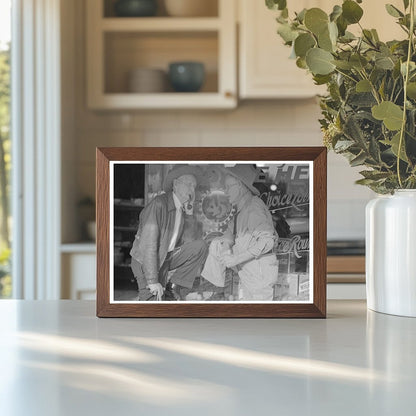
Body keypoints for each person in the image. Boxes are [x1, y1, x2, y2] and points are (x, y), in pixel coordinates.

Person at [130, 165, 208, 301]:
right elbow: (149, 245)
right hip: (145, 261)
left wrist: (189, 215)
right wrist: (152, 281)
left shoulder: (181, 209)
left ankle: (174, 286)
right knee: (153, 303)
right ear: (175, 184)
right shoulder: (159, 204)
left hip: (164, 257)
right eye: (189, 184)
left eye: (194, 186)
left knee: (200, 247)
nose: (192, 190)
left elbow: (188, 242)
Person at [204, 165, 279, 300]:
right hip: (249, 273)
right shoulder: (241, 210)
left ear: (240, 186)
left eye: (228, 187)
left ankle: (216, 289)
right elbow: (229, 234)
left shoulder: (253, 208)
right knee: (217, 242)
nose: (225, 191)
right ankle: (216, 288)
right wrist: (225, 245)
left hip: (259, 274)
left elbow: (267, 241)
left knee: (260, 314)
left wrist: (235, 259)